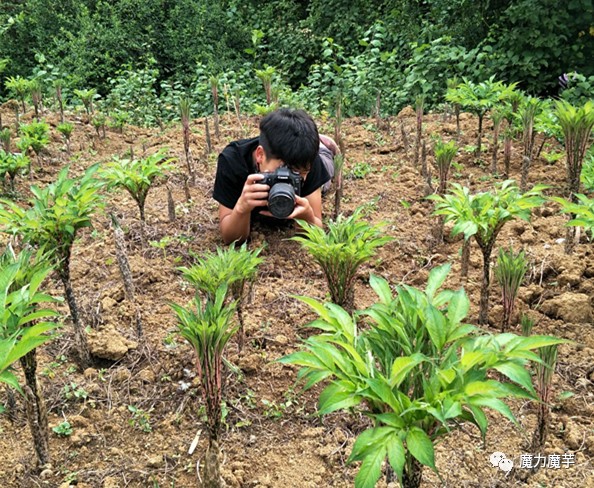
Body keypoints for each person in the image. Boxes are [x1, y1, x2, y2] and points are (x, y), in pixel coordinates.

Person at [213, 108, 337, 244]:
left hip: (318, 157)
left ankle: (322, 145)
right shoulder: (233, 162)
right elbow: (231, 239)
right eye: (282, 171)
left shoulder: (307, 162)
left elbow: (316, 235)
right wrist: (241, 209)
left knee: (327, 171)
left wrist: (306, 217)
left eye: (297, 175)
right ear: (260, 155)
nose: (288, 178)